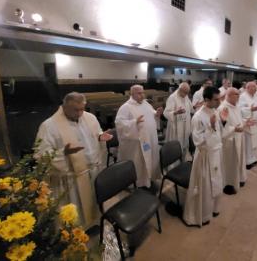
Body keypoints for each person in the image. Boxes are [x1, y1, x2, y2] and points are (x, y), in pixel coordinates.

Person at [36, 92, 113, 228]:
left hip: (93, 171)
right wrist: (64, 152)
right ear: (64, 107)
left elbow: (96, 133)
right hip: (72, 177)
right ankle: (76, 232)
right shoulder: (49, 126)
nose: (79, 113)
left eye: (82, 109)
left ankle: (93, 223)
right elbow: (41, 155)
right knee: (76, 210)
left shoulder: (90, 117)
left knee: (92, 204)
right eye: (75, 110)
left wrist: (101, 137)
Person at [184, 86, 224, 227]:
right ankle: (202, 214)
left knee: (216, 182)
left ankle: (213, 208)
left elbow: (218, 132)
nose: (219, 102)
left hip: (215, 153)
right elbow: (198, 142)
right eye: (216, 99)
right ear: (206, 100)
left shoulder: (214, 110)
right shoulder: (198, 117)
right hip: (205, 156)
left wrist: (219, 124)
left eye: (219, 98)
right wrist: (210, 127)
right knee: (205, 187)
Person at [115, 85, 163, 188]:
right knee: (139, 163)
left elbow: (151, 114)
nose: (142, 95)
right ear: (132, 94)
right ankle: (139, 182)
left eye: (143, 92)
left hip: (149, 138)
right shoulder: (126, 107)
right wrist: (134, 122)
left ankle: (149, 178)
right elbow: (120, 124)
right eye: (139, 93)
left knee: (150, 158)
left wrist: (156, 114)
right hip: (136, 143)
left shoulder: (146, 104)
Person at [218, 88, 252, 195]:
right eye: (236, 95)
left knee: (239, 160)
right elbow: (222, 128)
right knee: (229, 164)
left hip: (238, 137)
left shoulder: (236, 106)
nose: (238, 96)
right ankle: (228, 184)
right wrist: (234, 129)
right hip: (229, 141)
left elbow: (238, 119)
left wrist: (246, 122)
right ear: (229, 95)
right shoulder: (224, 108)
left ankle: (238, 179)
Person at [164, 83, 193, 161]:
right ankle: (174, 162)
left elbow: (191, 108)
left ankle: (184, 159)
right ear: (180, 90)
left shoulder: (185, 96)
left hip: (185, 124)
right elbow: (166, 113)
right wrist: (176, 112)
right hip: (176, 126)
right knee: (177, 144)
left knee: (185, 143)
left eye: (187, 93)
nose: (186, 95)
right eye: (185, 92)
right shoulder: (172, 98)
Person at [238, 82, 257, 168]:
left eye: (255, 87)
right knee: (248, 142)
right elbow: (240, 109)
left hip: (255, 124)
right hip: (248, 123)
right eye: (253, 87)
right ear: (247, 87)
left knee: (255, 141)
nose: (255, 89)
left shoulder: (255, 97)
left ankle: (253, 158)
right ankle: (247, 161)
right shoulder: (242, 97)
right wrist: (250, 109)